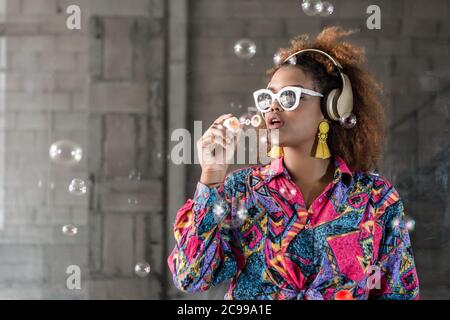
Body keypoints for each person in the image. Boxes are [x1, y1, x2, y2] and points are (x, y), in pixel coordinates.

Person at [167, 27, 420, 300]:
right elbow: (190, 277)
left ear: (332, 107)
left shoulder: (375, 198)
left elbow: (399, 294)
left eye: (290, 96)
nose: (273, 107)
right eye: (268, 98)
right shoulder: (240, 189)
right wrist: (212, 174)